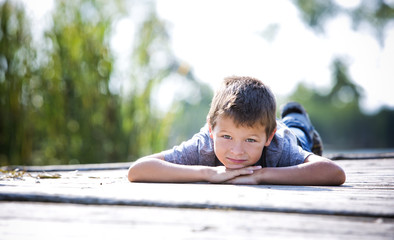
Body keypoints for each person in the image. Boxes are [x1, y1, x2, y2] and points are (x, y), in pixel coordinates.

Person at [128, 76, 346, 185]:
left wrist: (261, 175)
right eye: (226, 137)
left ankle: (296, 115)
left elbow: (334, 173)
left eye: (250, 140)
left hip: (289, 135)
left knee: (297, 132)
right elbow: (138, 170)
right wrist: (207, 173)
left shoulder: (279, 146)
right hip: (265, 128)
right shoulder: (203, 146)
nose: (237, 151)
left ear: (268, 138)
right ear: (211, 130)